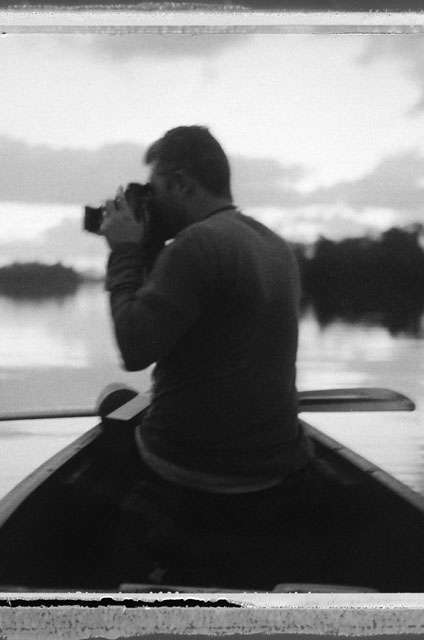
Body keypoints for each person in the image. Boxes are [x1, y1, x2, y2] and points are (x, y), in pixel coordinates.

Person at [96, 126, 332, 587]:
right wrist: (147, 249)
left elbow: (134, 347)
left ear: (183, 184)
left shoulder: (195, 246)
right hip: (276, 466)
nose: (151, 205)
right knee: (127, 402)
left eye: (156, 191)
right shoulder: (273, 245)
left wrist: (124, 253)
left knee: (114, 406)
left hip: (192, 468)